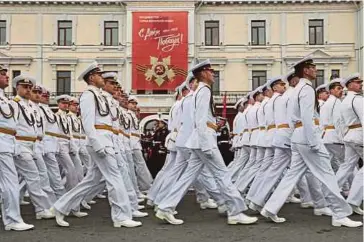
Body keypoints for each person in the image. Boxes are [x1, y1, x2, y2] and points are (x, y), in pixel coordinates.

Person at [260, 56, 362, 228]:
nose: (316, 70)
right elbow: (308, 117)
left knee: (292, 176)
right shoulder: (306, 89)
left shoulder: (297, 89)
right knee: (327, 175)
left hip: (298, 136)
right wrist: (314, 141)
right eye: (313, 68)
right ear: (306, 71)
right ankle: (340, 214)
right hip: (308, 136)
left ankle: (270, 208)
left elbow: (294, 118)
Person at [155, 60, 257, 225]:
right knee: (222, 175)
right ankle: (235, 211)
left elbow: (202, 119)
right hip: (204, 140)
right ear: (202, 74)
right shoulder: (204, 91)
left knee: (188, 177)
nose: (213, 73)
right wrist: (206, 143)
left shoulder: (200, 91)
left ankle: (165, 208)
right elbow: (200, 119)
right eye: (210, 71)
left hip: (199, 140)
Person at [52, 61, 141, 228]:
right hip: (99, 142)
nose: (102, 78)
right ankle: (121, 216)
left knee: (92, 180)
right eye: (100, 75)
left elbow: (110, 124)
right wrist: (97, 144)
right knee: (115, 178)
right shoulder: (88, 96)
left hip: (107, 141)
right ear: (92, 78)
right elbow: (88, 123)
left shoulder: (100, 96)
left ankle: (60, 207)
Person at [12, 74, 54, 220]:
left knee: (23, 178)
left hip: (33, 144)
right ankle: (41, 209)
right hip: (20, 144)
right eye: (25, 87)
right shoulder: (14, 104)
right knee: (33, 177)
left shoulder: (30, 107)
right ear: (17, 88)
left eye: (30, 87)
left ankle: (12, 205)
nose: (28, 90)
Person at [0, 65, 34, 231]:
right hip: (1, 143)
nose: (6, 77)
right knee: (10, 182)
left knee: (9, 182)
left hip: (8, 142)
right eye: (2, 74)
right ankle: (12, 219)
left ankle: (11, 217)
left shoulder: (5, 99)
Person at [337, 73, 363, 215]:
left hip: (349, 136)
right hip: (359, 135)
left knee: (346, 167)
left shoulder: (345, 100)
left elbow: (340, 122)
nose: (360, 85)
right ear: (350, 85)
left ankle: (331, 195)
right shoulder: (357, 100)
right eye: (357, 83)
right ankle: (353, 201)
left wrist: (344, 137)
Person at [39, 86, 66, 200]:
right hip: (45, 144)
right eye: (44, 96)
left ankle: (58, 198)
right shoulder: (39, 109)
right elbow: (41, 129)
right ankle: (59, 199)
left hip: (52, 144)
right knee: (49, 174)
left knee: (50, 173)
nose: (46, 98)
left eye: (47, 96)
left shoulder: (48, 109)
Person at [128, 96, 153, 193]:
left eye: (135, 104)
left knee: (139, 165)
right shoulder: (128, 115)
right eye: (132, 103)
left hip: (135, 142)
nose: (134, 105)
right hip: (131, 143)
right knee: (139, 165)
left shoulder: (133, 115)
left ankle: (144, 185)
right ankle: (145, 186)